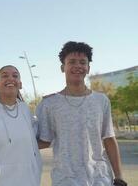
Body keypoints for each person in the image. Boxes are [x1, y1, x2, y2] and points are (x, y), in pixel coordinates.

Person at [36, 41, 127, 186]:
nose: (78, 66)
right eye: (72, 61)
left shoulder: (101, 100)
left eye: (82, 62)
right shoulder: (48, 104)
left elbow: (109, 138)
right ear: (62, 67)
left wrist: (119, 176)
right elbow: (44, 140)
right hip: (65, 179)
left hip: (100, 178)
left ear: (88, 68)